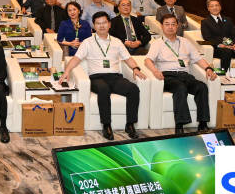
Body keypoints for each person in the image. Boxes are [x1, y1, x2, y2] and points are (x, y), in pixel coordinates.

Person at [59, 12, 145, 140]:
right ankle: (106, 125)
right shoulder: (88, 42)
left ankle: (130, 124)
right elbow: (76, 58)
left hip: (115, 77)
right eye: (98, 23)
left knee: (133, 89)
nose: (102, 26)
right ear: (94, 26)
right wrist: (67, 71)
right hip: (96, 78)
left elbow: (128, 58)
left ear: (109, 24)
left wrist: (135, 68)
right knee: (103, 89)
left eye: (104, 22)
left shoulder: (117, 42)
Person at [145, 14, 217, 134]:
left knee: (202, 87)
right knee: (180, 87)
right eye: (167, 24)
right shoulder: (157, 43)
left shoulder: (185, 42)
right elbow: (148, 60)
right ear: (162, 26)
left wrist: (208, 68)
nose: (170, 27)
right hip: (168, 76)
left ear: (177, 26)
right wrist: (155, 71)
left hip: (185, 75)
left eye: (173, 24)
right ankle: (180, 125)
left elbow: (198, 58)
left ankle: (203, 124)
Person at [199, 0, 235, 72]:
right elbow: (207, 38)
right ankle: (224, 74)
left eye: (217, 5)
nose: (215, 8)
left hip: (231, 46)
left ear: (220, 7)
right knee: (226, 52)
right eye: (212, 6)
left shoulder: (228, 20)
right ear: (208, 8)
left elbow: (234, 34)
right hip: (217, 48)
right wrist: (221, 45)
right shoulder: (205, 22)